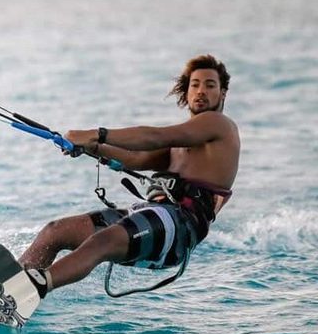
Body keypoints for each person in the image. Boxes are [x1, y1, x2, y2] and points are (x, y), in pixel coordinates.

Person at [17, 54, 240, 299]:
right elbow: (136, 159)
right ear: (185, 92)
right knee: (55, 232)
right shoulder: (181, 144)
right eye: (195, 85)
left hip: (180, 227)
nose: (201, 91)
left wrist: (96, 134)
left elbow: (156, 136)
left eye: (210, 85)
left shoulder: (219, 125)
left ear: (223, 93)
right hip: (152, 215)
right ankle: (11, 284)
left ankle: (30, 288)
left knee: (103, 241)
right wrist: (89, 147)